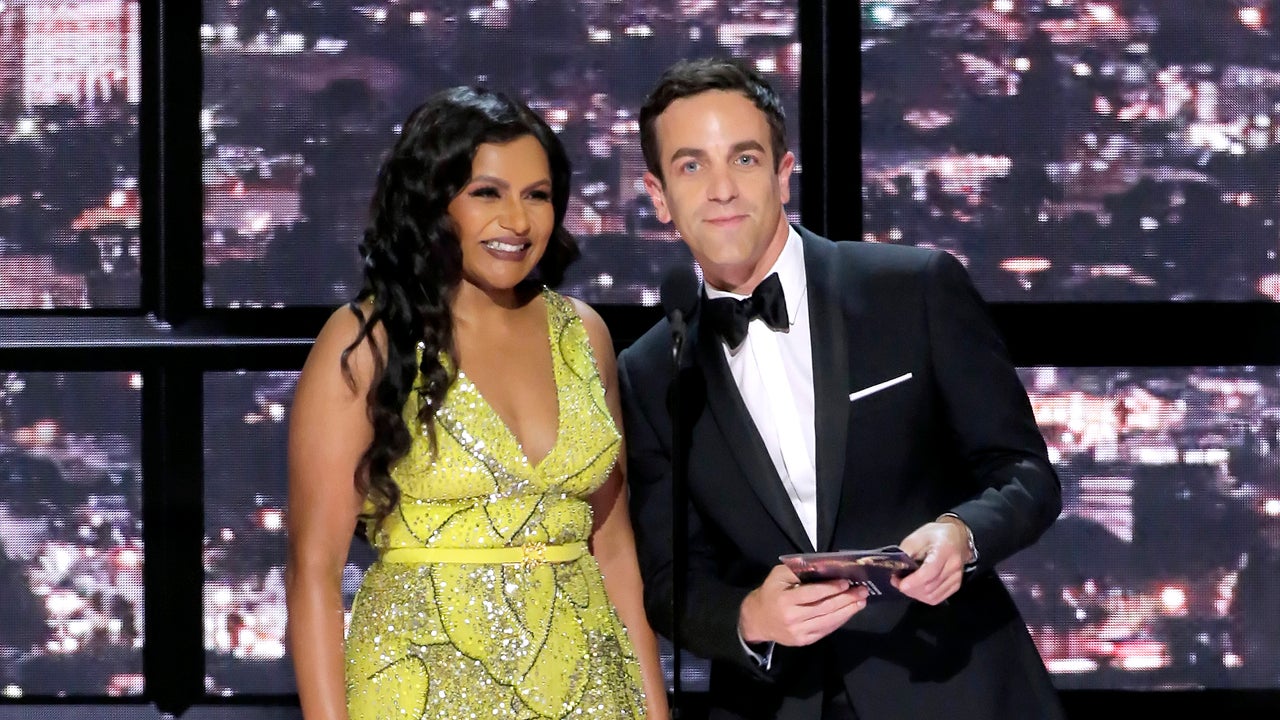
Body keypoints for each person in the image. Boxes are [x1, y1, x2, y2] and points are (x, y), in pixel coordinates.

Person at [618, 57, 1065, 719]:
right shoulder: (650, 369)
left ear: (783, 173)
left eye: (744, 159)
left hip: (953, 685)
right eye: (691, 166)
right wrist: (749, 615)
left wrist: (962, 536)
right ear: (658, 196)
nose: (721, 190)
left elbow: (1025, 474)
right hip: (778, 701)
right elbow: (668, 578)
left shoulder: (912, 289)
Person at [286, 86, 668, 720]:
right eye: (488, 193)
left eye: (537, 195)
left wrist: (654, 711)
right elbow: (313, 571)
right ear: (433, 203)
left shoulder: (584, 334)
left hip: (591, 691)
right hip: (419, 693)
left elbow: (615, 549)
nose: (517, 221)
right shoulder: (367, 341)